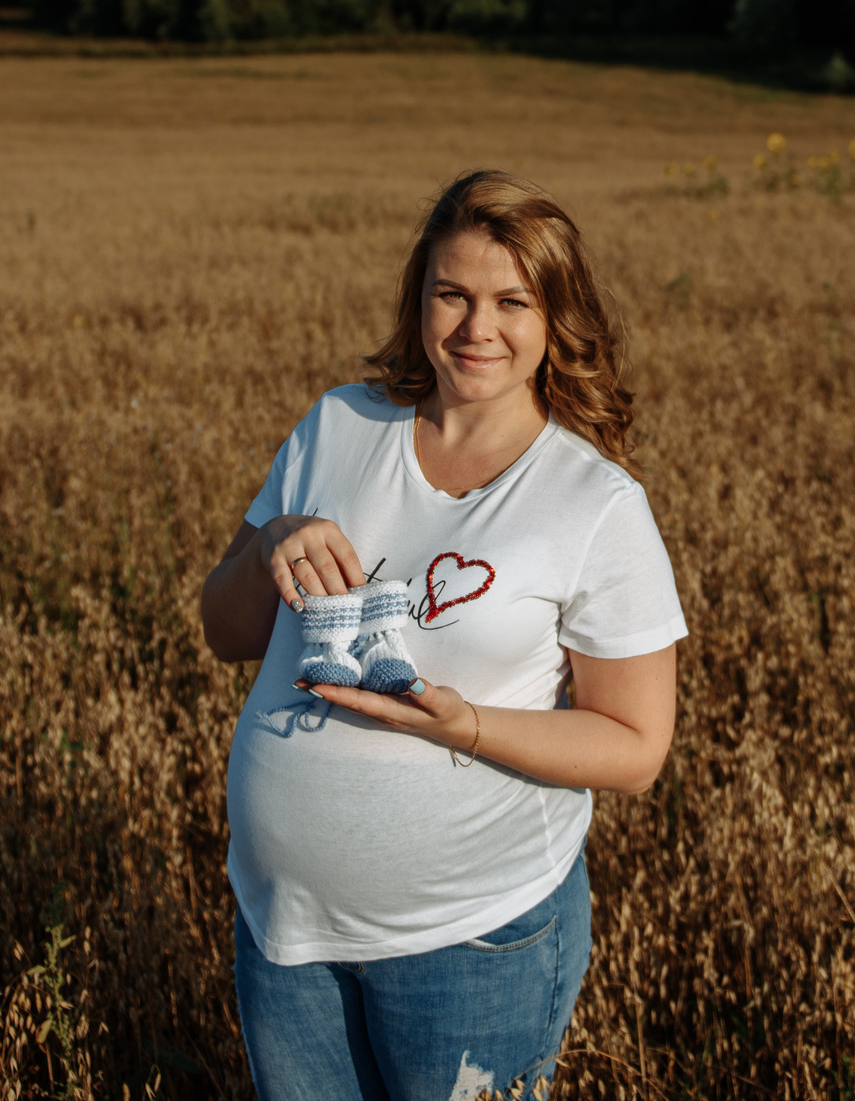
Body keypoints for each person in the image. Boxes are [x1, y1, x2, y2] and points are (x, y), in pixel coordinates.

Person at [200, 170, 686, 1101]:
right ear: (418, 296)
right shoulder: (339, 425)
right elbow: (224, 631)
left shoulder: (594, 502)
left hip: (471, 942)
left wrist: (467, 725)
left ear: (556, 317)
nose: (476, 327)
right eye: (452, 294)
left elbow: (635, 748)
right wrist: (269, 545)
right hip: (284, 929)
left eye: (512, 302)